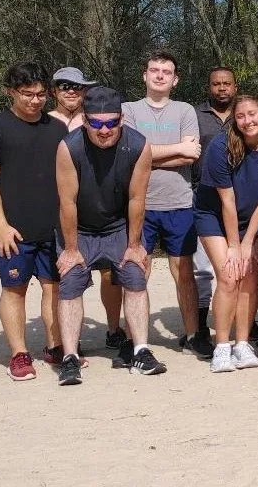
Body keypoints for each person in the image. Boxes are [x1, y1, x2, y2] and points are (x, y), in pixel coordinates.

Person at [54, 86, 166, 385]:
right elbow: (67, 202)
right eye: (96, 123)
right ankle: (69, 358)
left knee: (134, 274)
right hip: (79, 229)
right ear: (85, 121)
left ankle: (141, 350)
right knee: (71, 280)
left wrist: (134, 245)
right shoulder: (69, 147)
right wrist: (71, 248)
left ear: (121, 120)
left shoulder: (139, 146)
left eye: (111, 122)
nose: (104, 130)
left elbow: (136, 199)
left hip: (118, 227)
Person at [0, 62, 68, 380]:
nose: (35, 100)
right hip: (13, 231)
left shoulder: (57, 129)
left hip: (53, 228)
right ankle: (19, 354)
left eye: (41, 94)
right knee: (14, 289)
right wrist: (0, 224)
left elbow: (68, 179)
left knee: (53, 288)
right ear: (10, 92)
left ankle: (55, 347)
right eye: (27, 94)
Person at [194, 95, 258, 373]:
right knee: (228, 274)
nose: (248, 121)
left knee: (249, 278)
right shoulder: (219, 147)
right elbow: (227, 201)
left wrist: (249, 242)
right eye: (241, 116)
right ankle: (222, 347)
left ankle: (242, 343)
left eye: (252, 114)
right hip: (213, 216)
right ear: (234, 120)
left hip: (253, 220)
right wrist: (235, 245)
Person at [122, 51, 206, 359]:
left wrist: (148, 154)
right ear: (144, 75)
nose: (160, 75)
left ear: (175, 79)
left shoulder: (184, 110)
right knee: (136, 272)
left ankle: (194, 334)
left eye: (166, 72)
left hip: (179, 203)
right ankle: (133, 340)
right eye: (154, 70)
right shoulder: (127, 109)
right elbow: (129, 151)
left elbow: (191, 155)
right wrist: (175, 149)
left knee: (184, 272)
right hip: (138, 204)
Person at [48, 67, 127, 352]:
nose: (71, 90)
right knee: (61, 280)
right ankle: (63, 343)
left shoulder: (98, 121)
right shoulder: (45, 123)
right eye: (64, 85)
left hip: (102, 213)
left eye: (77, 86)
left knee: (110, 275)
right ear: (53, 90)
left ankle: (113, 328)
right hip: (58, 211)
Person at [190, 66, 238, 348]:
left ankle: (243, 322)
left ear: (235, 86)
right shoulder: (195, 115)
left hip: (238, 197)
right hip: (203, 195)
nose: (222, 88)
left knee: (236, 265)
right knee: (203, 267)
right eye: (216, 84)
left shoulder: (244, 115)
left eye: (227, 84)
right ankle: (200, 326)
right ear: (209, 87)